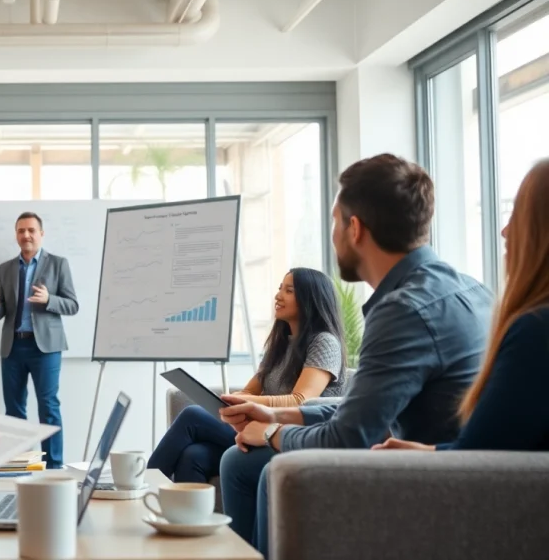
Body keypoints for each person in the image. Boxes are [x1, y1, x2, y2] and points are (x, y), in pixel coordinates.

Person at [217, 153, 494, 556]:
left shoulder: (404, 310)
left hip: (436, 483)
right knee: (240, 462)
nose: (332, 235)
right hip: (458, 470)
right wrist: (279, 414)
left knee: (271, 469)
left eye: (334, 222)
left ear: (354, 228)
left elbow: (348, 437)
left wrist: (275, 434)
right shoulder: (468, 288)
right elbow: (363, 406)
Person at [374, 159, 549, 453]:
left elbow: (481, 460)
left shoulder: (536, 331)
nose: (505, 231)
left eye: (519, 215)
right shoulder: (482, 297)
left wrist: (425, 457)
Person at [148, 268, 347, 483]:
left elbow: (301, 400)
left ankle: (141, 489)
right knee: (194, 455)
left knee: (192, 416)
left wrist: (244, 402)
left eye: (289, 290)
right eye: (280, 288)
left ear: (311, 298)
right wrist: (230, 401)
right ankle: (186, 517)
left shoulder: (325, 343)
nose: (278, 295)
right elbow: (250, 390)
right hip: (259, 426)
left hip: (292, 435)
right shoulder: (281, 344)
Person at [0, 211, 78, 469]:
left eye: (31, 230)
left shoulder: (58, 264)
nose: (26, 235)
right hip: (13, 346)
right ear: (16, 235)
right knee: (14, 412)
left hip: (45, 348)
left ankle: (54, 467)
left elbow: (72, 305)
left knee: (48, 408)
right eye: (21, 231)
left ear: (41, 234)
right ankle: (22, 466)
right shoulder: (5, 269)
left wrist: (49, 300)